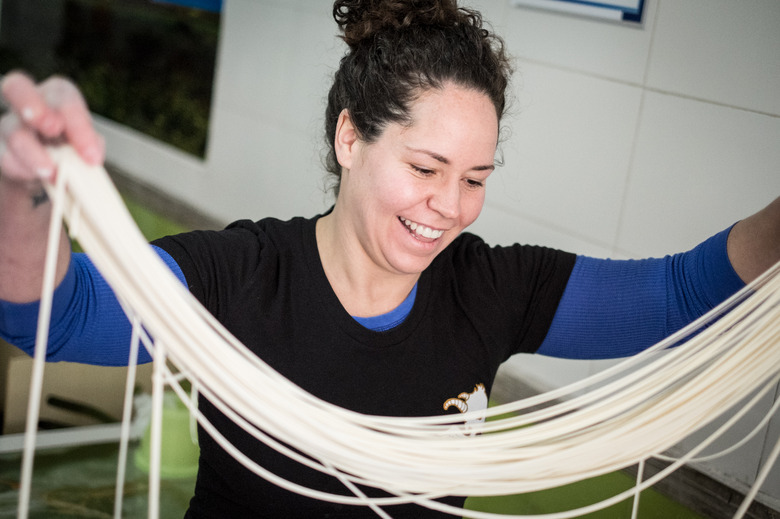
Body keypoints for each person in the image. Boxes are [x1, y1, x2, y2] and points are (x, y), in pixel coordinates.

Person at [0, 0, 778, 517]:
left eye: (475, 179)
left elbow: (681, 293)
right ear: (350, 139)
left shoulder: (490, 287)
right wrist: (26, 191)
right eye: (426, 168)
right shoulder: (242, 277)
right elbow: (59, 320)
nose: (449, 204)